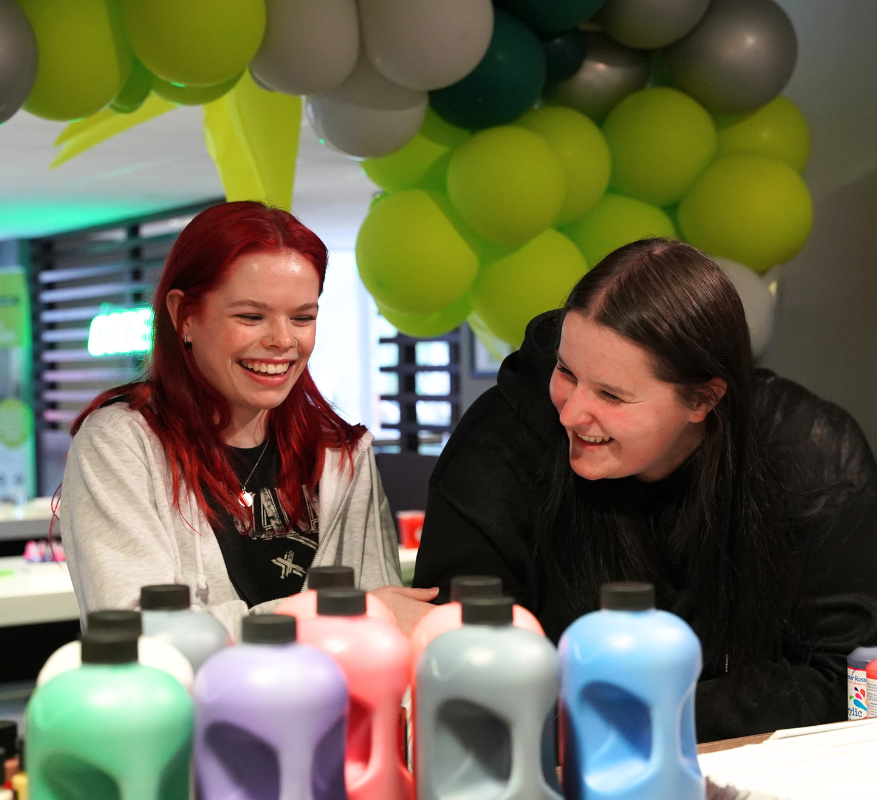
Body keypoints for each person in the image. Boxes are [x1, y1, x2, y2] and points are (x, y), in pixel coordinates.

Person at [414, 238, 877, 741]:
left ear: (702, 400)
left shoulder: (812, 453)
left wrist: (637, 718)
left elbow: (853, 678)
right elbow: (460, 672)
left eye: (611, 395)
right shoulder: (499, 443)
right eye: (566, 370)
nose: (570, 414)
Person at [59, 201, 433, 639]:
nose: (282, 340)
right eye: (250, 316)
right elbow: (142, 635)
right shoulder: (121, 443)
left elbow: (379, 637)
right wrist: (329, 615)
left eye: (302, 317)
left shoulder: (340, 452)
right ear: (184, 316)